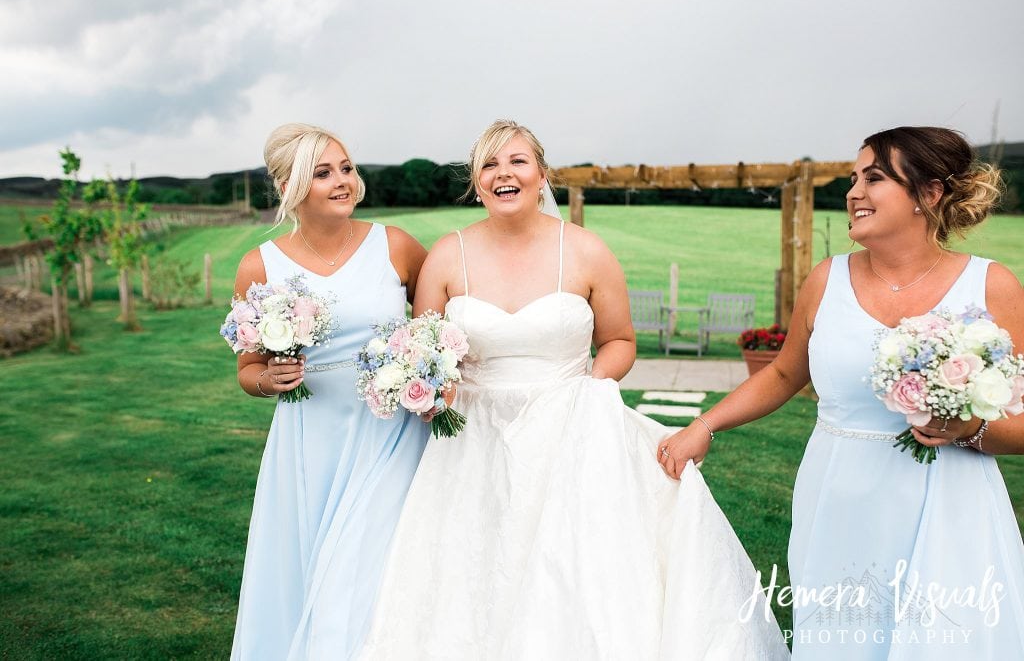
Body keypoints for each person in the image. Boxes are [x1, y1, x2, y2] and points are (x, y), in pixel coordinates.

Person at [360, 120, 790, 659]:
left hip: (569, 428)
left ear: (542, 174)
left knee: (564, 568)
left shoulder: (586, 251)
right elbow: (423, 352)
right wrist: (430, 390)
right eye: (489, 165)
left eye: (516, 161)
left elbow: (620, 342)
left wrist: (586, 390)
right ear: (475, 182)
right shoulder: (448, 256)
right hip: (471, 440)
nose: (504, 174)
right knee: (473, 568)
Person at [659, 126, 1024, 659]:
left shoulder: (991, 286)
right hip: (839, 501)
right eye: (853, 178)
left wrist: (970, 428)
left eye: (874, 179)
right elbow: (784, 374)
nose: (853, 192)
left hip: (950, 506)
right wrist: (703, 425)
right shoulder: (826, 279)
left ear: (930, 194)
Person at [230, 123, 429, 660]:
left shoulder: (396, 246)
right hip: (309, 437)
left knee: (371, 561)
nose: (343, 181)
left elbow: (446, 316)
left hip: (391, 429)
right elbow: (248, 368)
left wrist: (433, 371)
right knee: (311, 565)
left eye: (346, 167)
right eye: (323, 173)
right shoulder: (260, 265)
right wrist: (265, 379)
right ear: (291, 186)